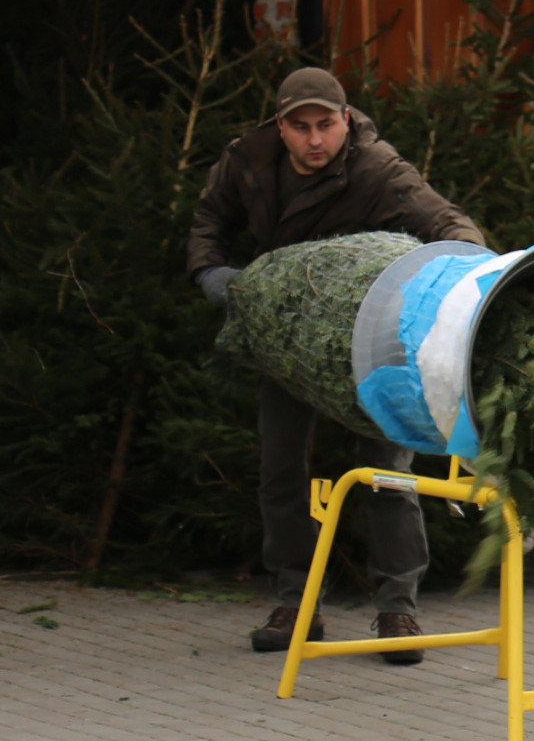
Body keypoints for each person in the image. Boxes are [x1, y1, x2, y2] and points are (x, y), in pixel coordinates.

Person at [187, 67, 485, 664]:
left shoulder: (377, 168)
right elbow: (208, 221)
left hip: (370, 339)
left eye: (327, 125)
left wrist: (474, 281)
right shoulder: (248, 161)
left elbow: (448, 222)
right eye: (301, 128)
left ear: (346, 120)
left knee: (388, 471)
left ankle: (398, 609)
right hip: (285, 335)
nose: (315, 140)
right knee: (280, 469)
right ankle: (295, 603)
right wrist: (212, 274)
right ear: (281, 127)